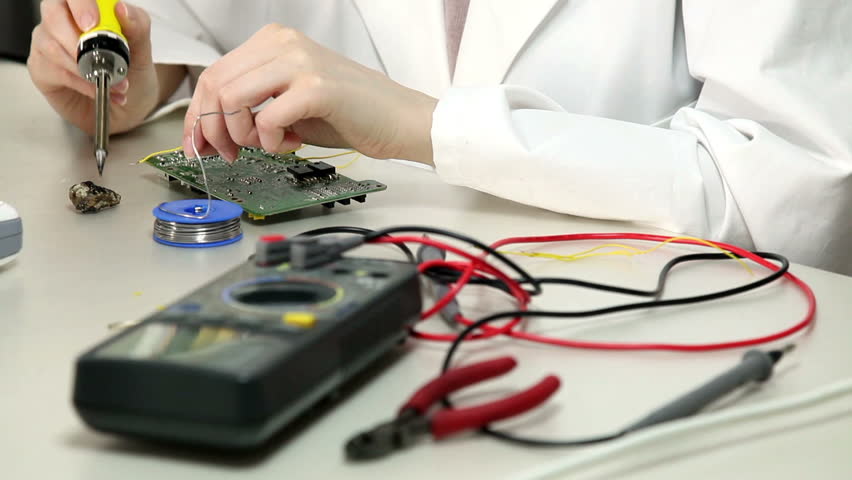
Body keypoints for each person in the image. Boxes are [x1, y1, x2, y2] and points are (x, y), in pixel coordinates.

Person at [28, 0, 852, 275]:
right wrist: (136, 75)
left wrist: (426, 126)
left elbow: (789, 192)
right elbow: (188, 20)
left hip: (644, 334)